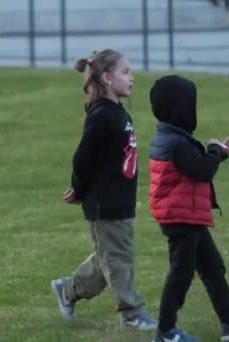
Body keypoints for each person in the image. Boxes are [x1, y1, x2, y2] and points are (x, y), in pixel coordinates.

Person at [147, 75, 229, 342]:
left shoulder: (171, 137)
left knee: (213, 268)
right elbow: (203, 170)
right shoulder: (176, 144)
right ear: (180, 107)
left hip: (187, 217)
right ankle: (165, 332)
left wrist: (221, 150)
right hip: (181, 218)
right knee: (181, 274)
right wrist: (214, 149)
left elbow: (197, 166)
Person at [50, 49, 157, 330]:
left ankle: (68, 290)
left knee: (109, 257)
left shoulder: (118, 112)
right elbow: (82, 157)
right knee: (118, 258)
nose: (131, 78)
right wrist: (78, 189)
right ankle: (132, 313)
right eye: (125, 72)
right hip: (105, 202)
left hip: (120, 199)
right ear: (107, 78)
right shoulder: (101, 115)